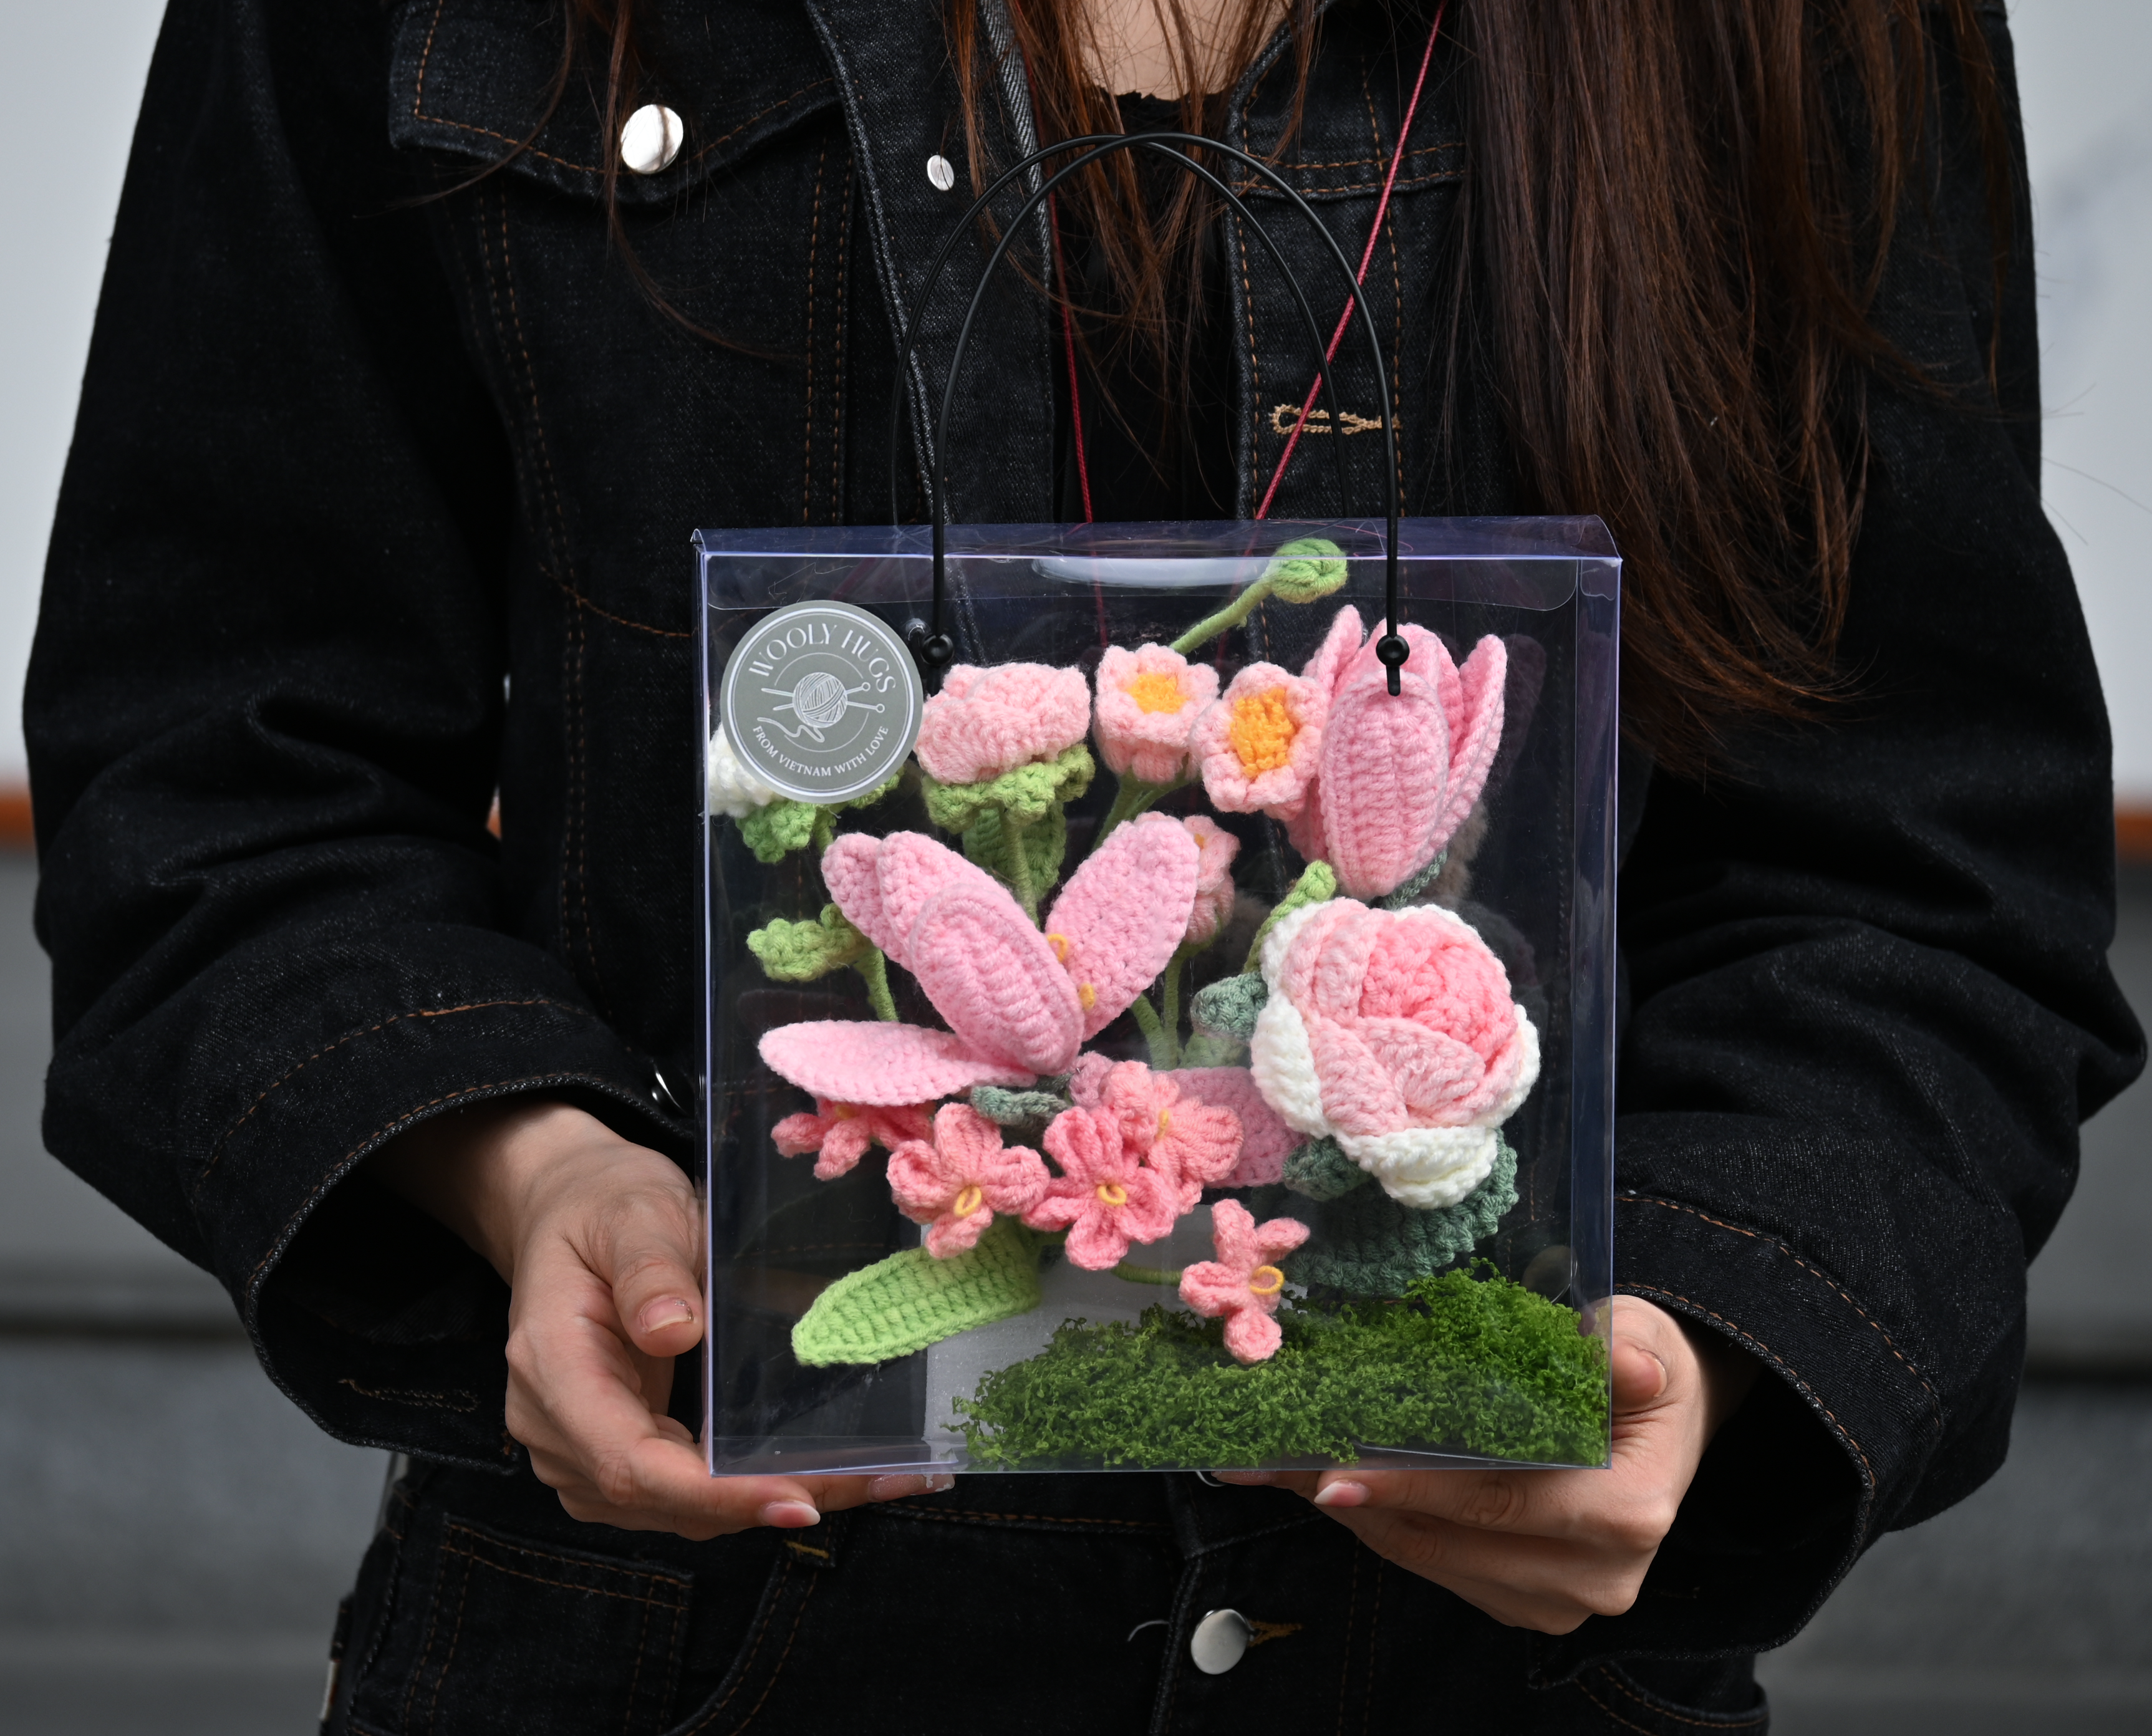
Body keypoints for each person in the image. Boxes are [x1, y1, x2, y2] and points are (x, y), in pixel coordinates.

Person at [27, 0, 2141, 1729]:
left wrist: (1699, 1338)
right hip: (680, 1644)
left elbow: (1922, 870)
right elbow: (219, 767)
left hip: (1492, 1676)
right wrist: (536, 1172)